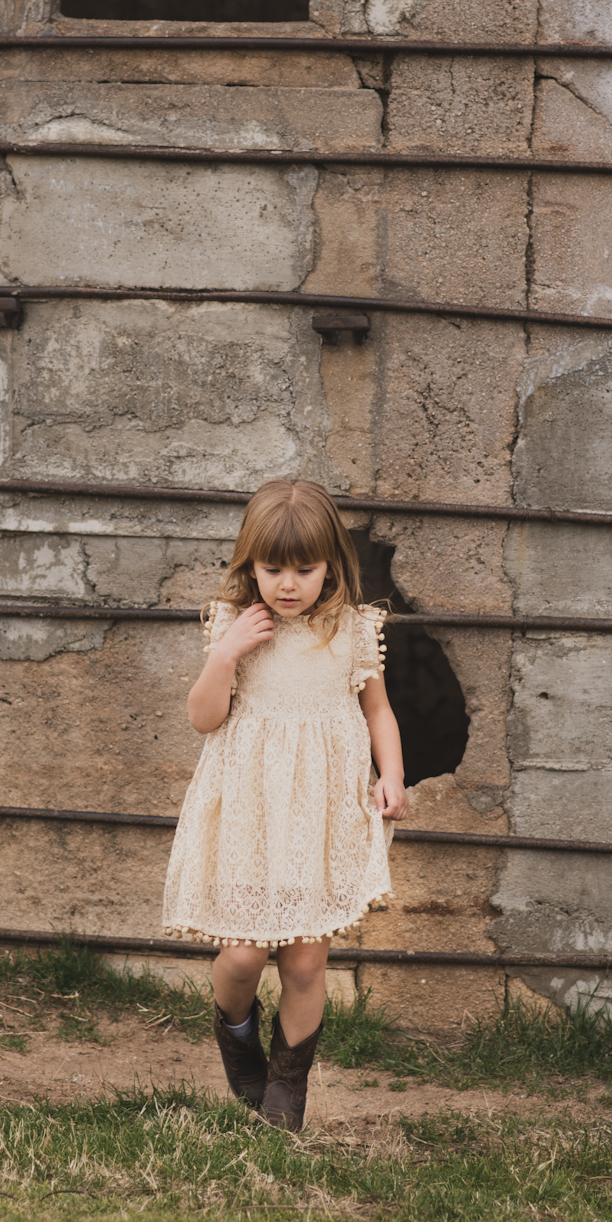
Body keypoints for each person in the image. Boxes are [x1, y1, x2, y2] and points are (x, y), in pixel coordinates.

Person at [161, 476, 409, 1131]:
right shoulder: (235, 624)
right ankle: (236, 1033)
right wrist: (228, 653)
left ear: (331, 567)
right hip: (249, 810)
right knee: (243, 954)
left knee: (305, 958)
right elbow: (203, 717)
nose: (288, 585)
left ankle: (285, 1089)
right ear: (251, 564)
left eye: (304, 569)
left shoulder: (352, 630)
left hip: (319, 813)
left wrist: (393, 774)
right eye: (273, 569)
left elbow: (377, 710)